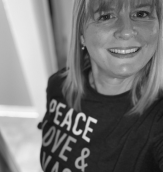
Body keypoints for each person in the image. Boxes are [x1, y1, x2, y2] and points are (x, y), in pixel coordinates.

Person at [39, 0, 163, 171]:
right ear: (81, 33)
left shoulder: (157, 117)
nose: (126, 32)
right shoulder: (59, 85)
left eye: (141, 14)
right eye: (106, 16)